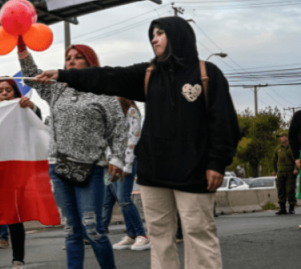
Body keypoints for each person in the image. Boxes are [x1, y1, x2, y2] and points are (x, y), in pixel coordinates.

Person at [33, 17, 241, 269]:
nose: (154, 38)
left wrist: (217, 163)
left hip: (194, 171)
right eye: (152, 34)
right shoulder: (149, 73)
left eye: (160, 33)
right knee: (160, 238)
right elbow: (109, 76)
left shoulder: (207, 74)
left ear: (179, 35)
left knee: (199, 234)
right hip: (153, 173)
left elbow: (224, 122)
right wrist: (64, 75)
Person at [19, 42, 127, 269]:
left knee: (93, 229)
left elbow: (118, 127)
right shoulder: (57, 88)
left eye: (78, 57)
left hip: (92, 169)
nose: (71, 61)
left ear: (90, 62)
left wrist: (117, 158)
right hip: (59, 167)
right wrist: (22, 50)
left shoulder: (104, 91)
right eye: (68, 58)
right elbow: (31, 76)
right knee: (71, 231)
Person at [0, 78, 41, 269]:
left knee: (14, 216)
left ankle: (18, 259)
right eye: (0, 90)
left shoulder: (23, 110)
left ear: (16, 93)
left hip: (16, 171)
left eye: (8, 90)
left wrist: (33, 108)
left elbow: (37, 123)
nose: (4, 93)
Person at [102, 97, 150, 251]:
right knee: (111, 197)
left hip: (124, 162)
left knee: (124, 199)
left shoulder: (132, 112)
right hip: (111, 163)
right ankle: (131, 234)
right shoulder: (116, 115)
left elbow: (133, 139)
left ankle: (142, 235)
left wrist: (127, 165)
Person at [273, 132, 298, 215]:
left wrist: (296, 168)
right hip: (280, 172)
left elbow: (297, 159)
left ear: (287, 137)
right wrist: (274, 170)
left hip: (290, 172)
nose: (280, 138)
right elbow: (274, 160)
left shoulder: (293, 147)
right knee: (280, 189)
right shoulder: (278, 148)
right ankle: (282, 208)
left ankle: (291, 208)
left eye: (282, 136)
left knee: (290, 189)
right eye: (279, 137)